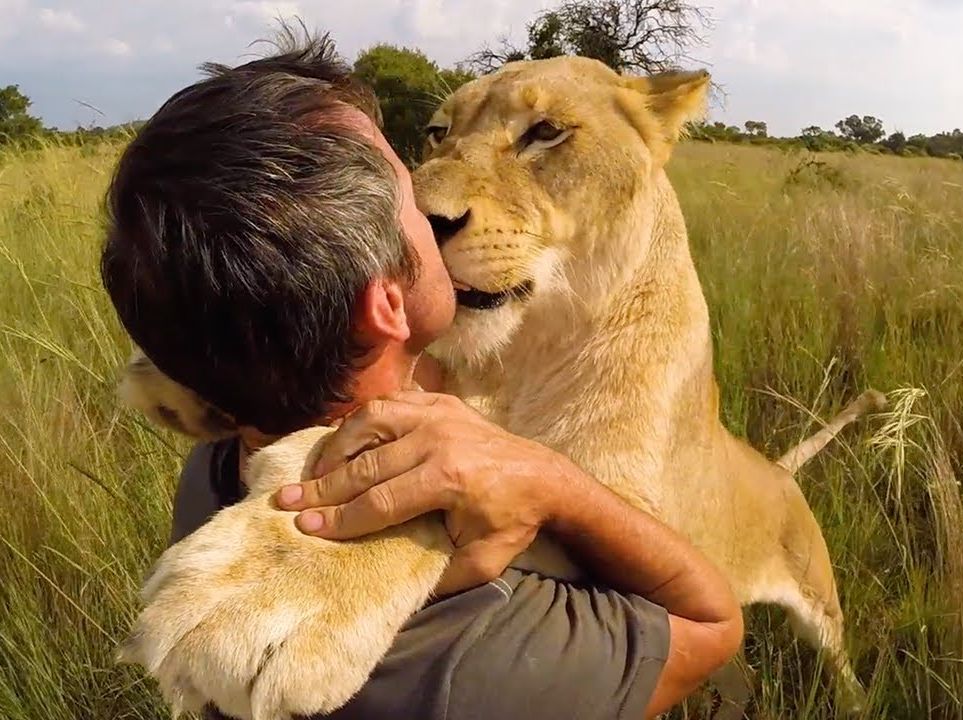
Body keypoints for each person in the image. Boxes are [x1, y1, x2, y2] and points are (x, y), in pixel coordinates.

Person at [100, 33, 742, 720]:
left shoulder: (211, 468)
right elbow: (711, 629)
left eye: (545, 134)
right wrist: (552, 487)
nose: (441, 196)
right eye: (411, 191)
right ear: (386, 303)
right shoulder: (484, 650)